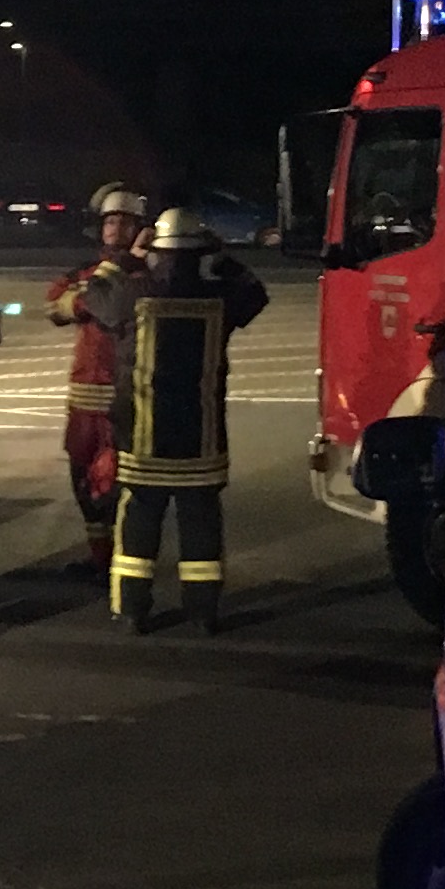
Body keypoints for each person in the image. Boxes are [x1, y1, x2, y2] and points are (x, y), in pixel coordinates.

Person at [91, 205, 269, 635]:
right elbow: (256, 293)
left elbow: (93, 295)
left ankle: (133, 611)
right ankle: (203, 612)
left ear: (157, 249)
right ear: (199, 250)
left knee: (138, 527)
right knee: (201, 527)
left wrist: (127, 258)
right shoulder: (220, 297)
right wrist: (221, 256)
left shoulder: (133, 293)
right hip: (201, 439)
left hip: (143, 437)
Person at [41, 184, 152, 576]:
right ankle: (99, 556)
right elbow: (55, 306)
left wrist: (93, 292)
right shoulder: (89, 272)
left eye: (124, 222)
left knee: (122, 484)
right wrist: (103, 281)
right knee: (82, 477)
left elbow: (107, 307)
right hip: (84, 398)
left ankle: (123, 560)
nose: (115, 229)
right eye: (110, 222)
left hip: (125, 395)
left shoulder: (148, 273)